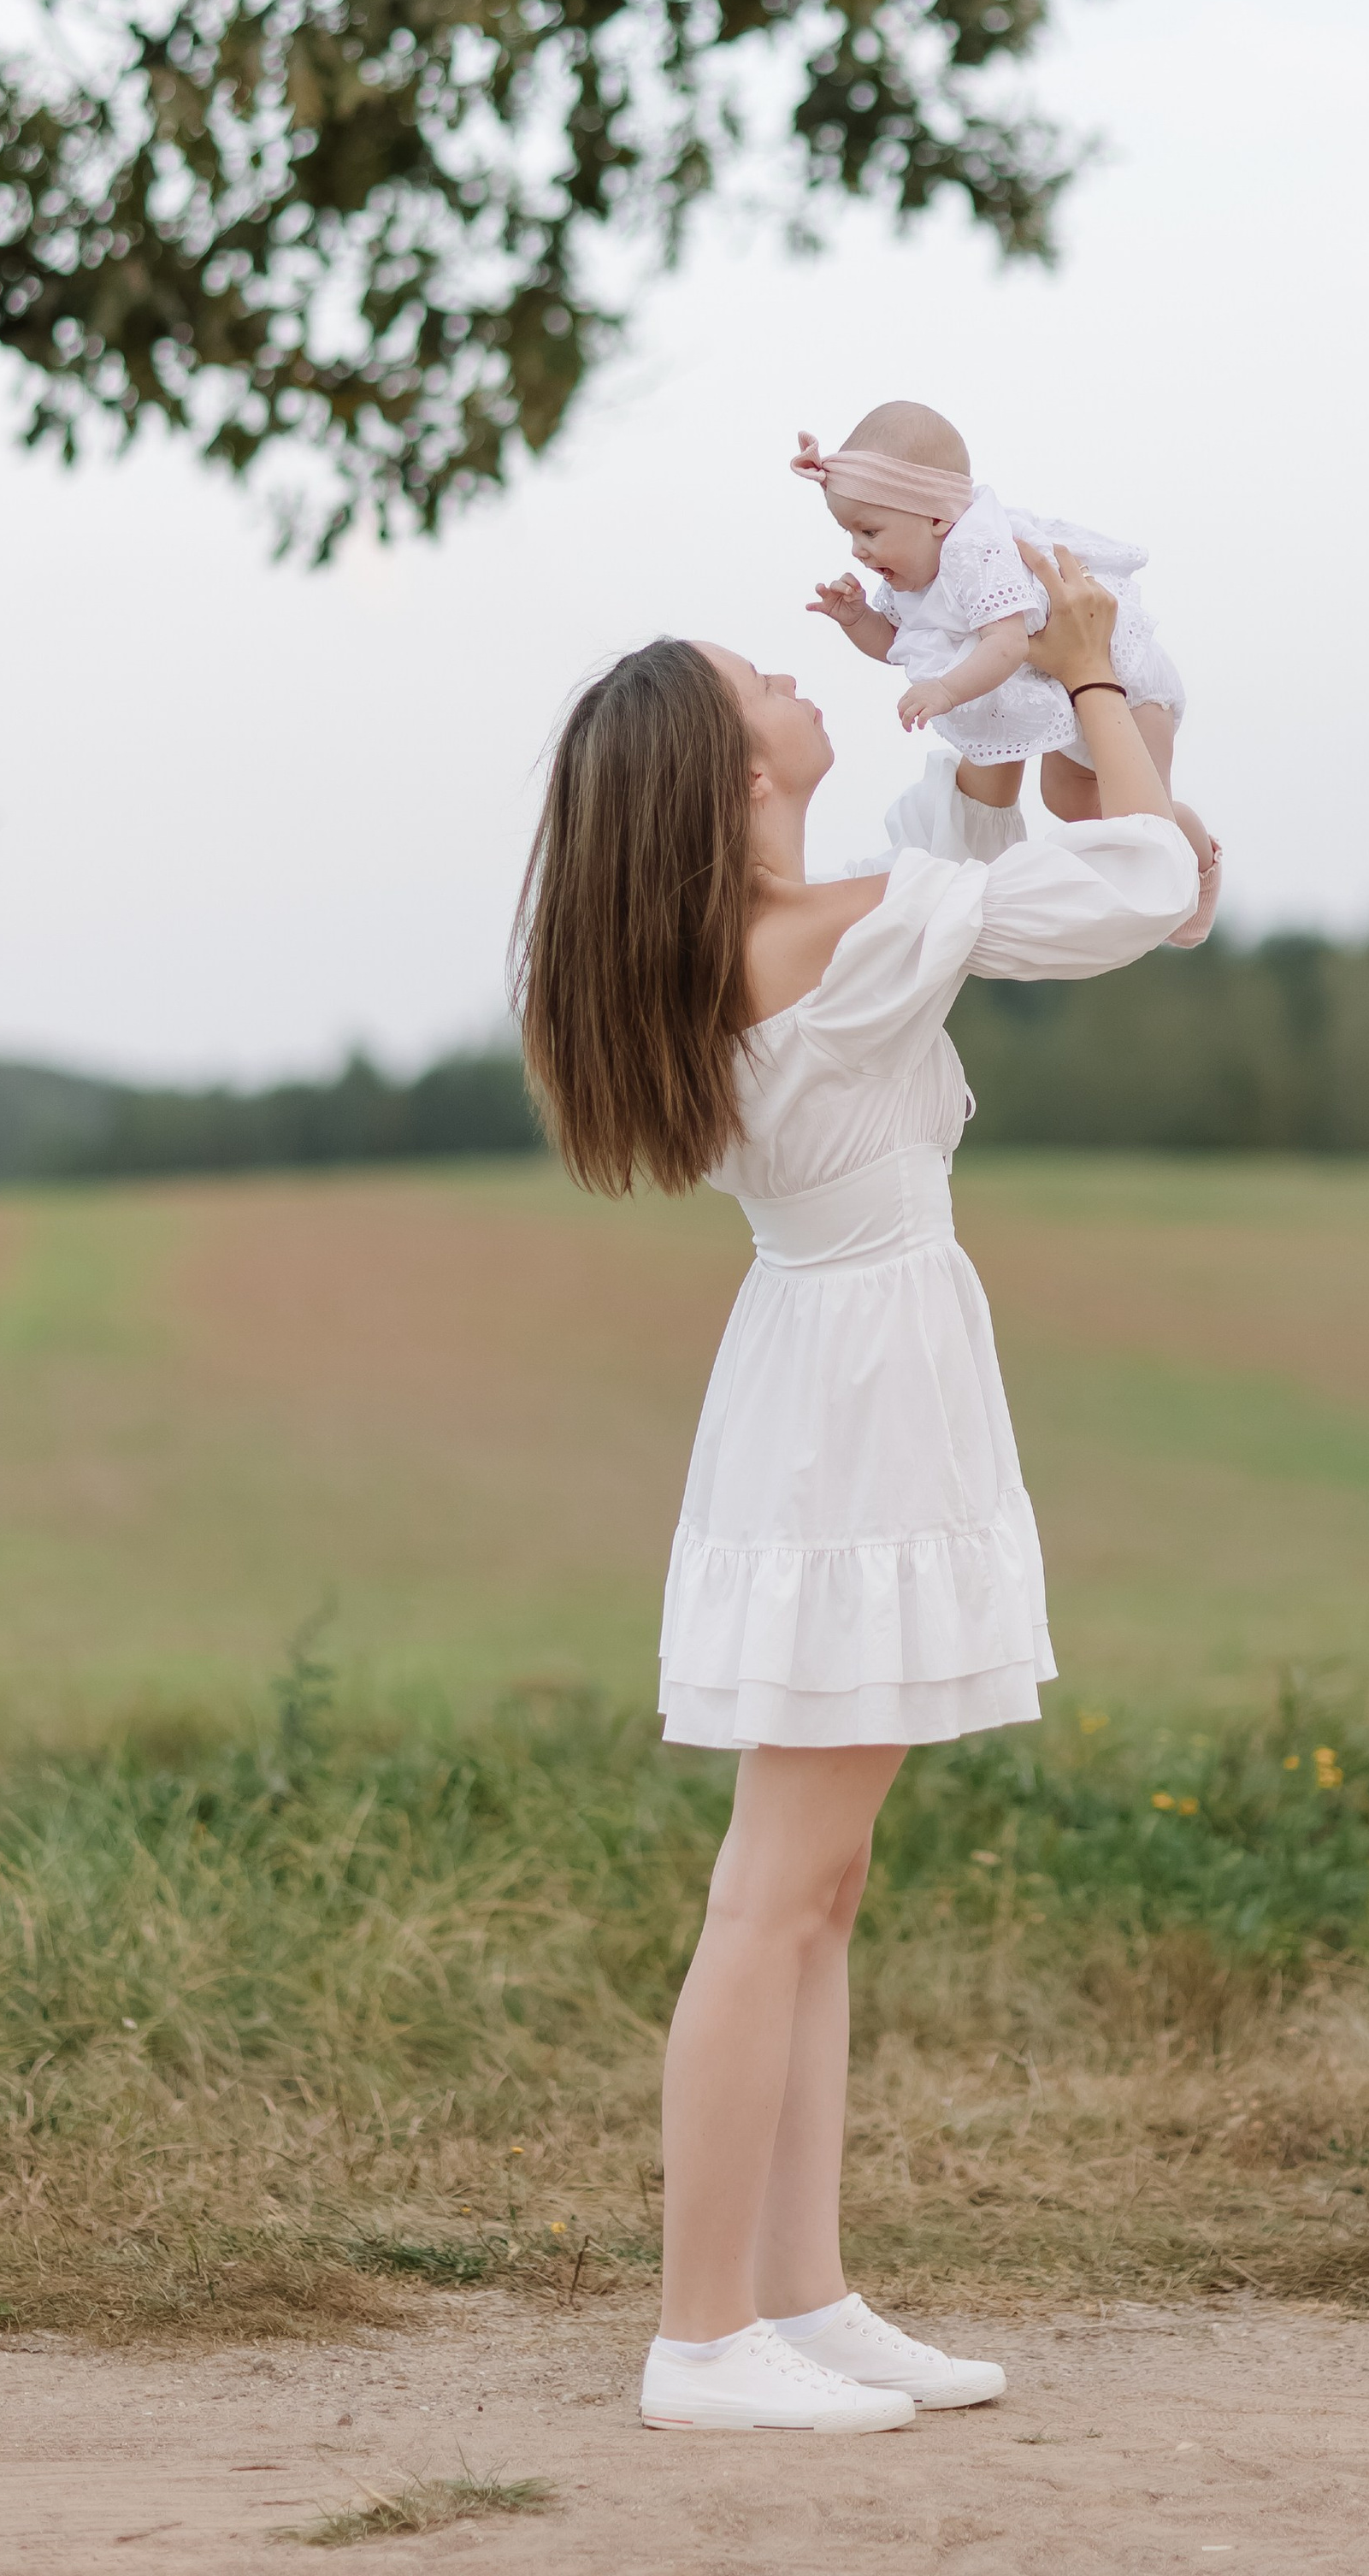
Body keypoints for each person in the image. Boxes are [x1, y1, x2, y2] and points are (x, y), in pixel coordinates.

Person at [510, 546, 1198, 2436]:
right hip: (854, 1399)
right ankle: (698, 2337)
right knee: (776, 1891)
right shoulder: (833, 935)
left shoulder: (794, 931)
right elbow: (1147, 882)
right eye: (763, 685)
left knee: (818, 1884)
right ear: (730, 777)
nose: (797, 682)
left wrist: (963, 699)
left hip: (831, 1382)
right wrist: (1081, 686)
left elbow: (949, 865)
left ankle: (797, 2299)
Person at [795, 399, 1223, 947]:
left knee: (1141, 830)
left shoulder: (976, 551)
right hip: (1072, 695)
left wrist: (947, 689)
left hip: (1128, 687)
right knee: (1069, 806)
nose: (858, 550)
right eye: (849, 534)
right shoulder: (918, 576)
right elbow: (903, 644)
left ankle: (1196, 857)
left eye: (870, 531)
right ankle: (1175, 865)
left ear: (935, 516)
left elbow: (1008, 640)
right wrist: (858, 619)